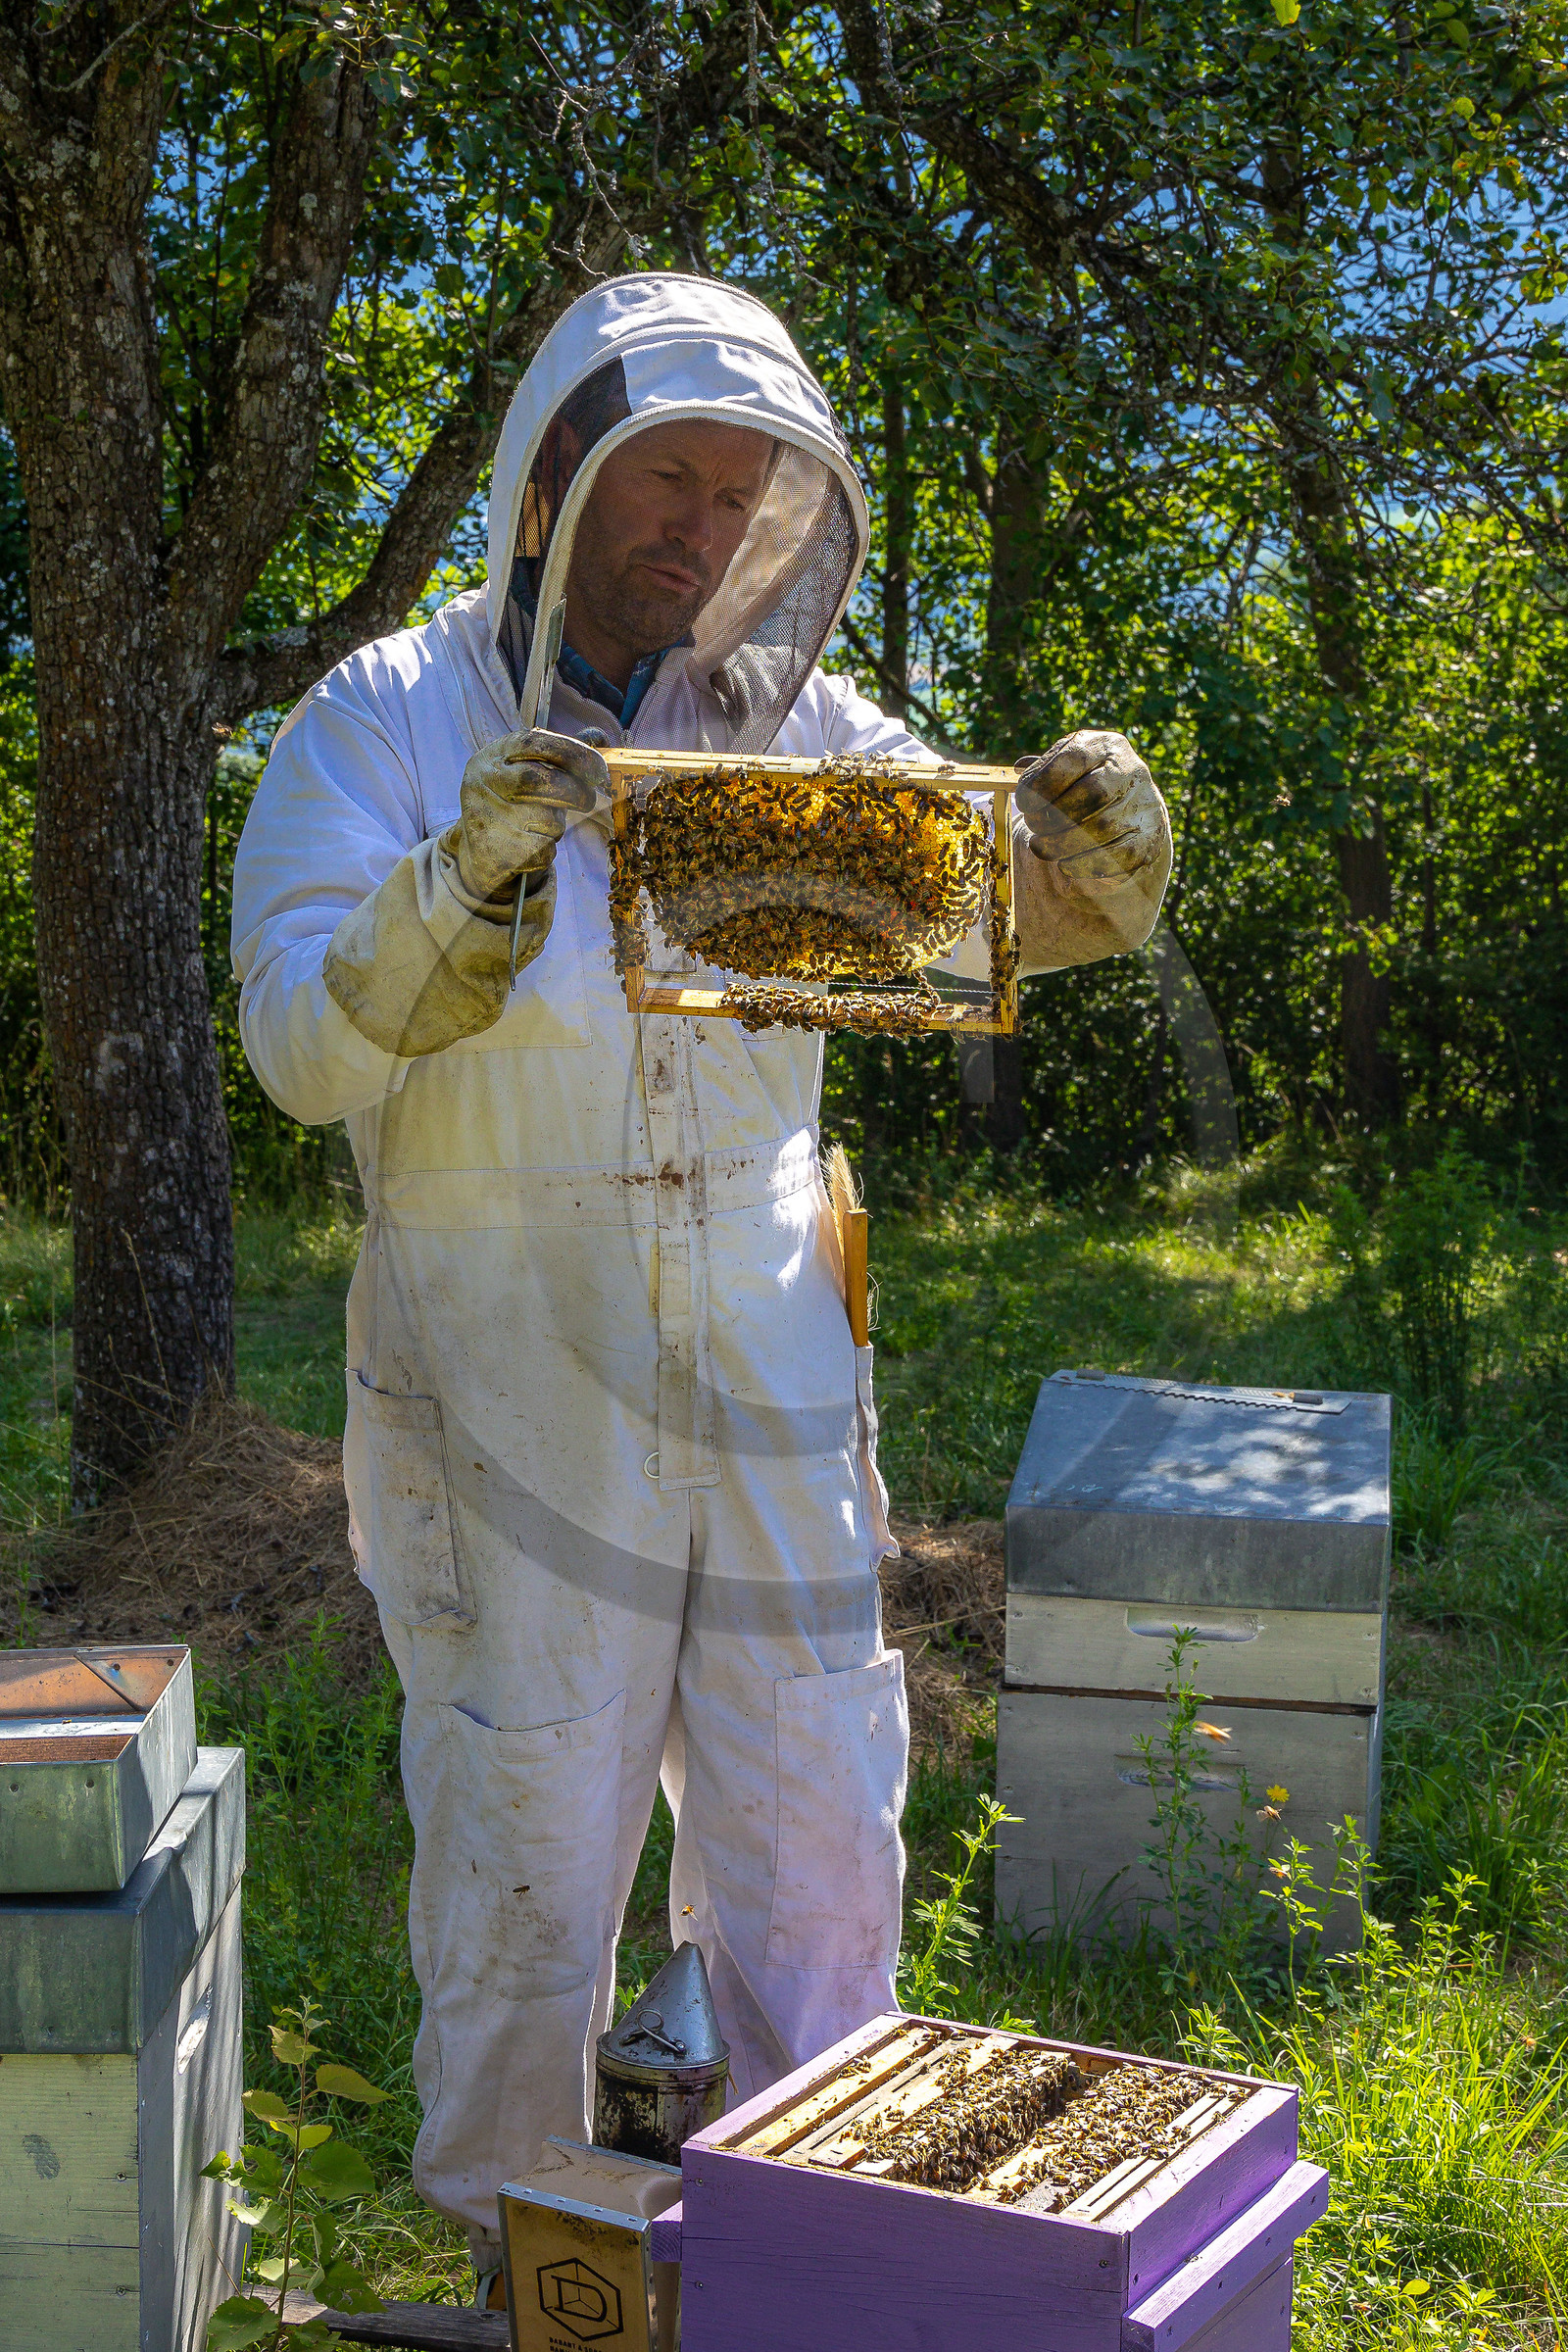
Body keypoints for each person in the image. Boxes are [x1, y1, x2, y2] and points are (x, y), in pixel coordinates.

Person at [231, 272, 1171, 2305]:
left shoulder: (796, 726)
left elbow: (970, 897)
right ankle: (518, 2262)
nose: (703, 534)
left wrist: (1074, 874)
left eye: (744, 501)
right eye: (668, 483)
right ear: (555, 475)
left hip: (761, 1348)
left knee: (811, 1810)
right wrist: (447, 900)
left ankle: (803, 2256)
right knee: (523, 1822)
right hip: (501, 1367)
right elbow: (301, 1048)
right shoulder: (386, 718)